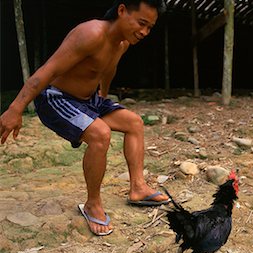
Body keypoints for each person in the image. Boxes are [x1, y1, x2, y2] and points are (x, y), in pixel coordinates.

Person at [0, 0, 170, 236]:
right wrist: (16, 108)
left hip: (87, 100)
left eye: (150, 28)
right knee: (101, 134)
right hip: (56, 98)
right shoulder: (90, 33)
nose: (144, 32)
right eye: (141, 23)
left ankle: (138, 188)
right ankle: (92, 204)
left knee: (134, 123)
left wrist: (101, 98)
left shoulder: (122, 44)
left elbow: (107, 70)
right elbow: (48, 70)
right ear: (122, 11)